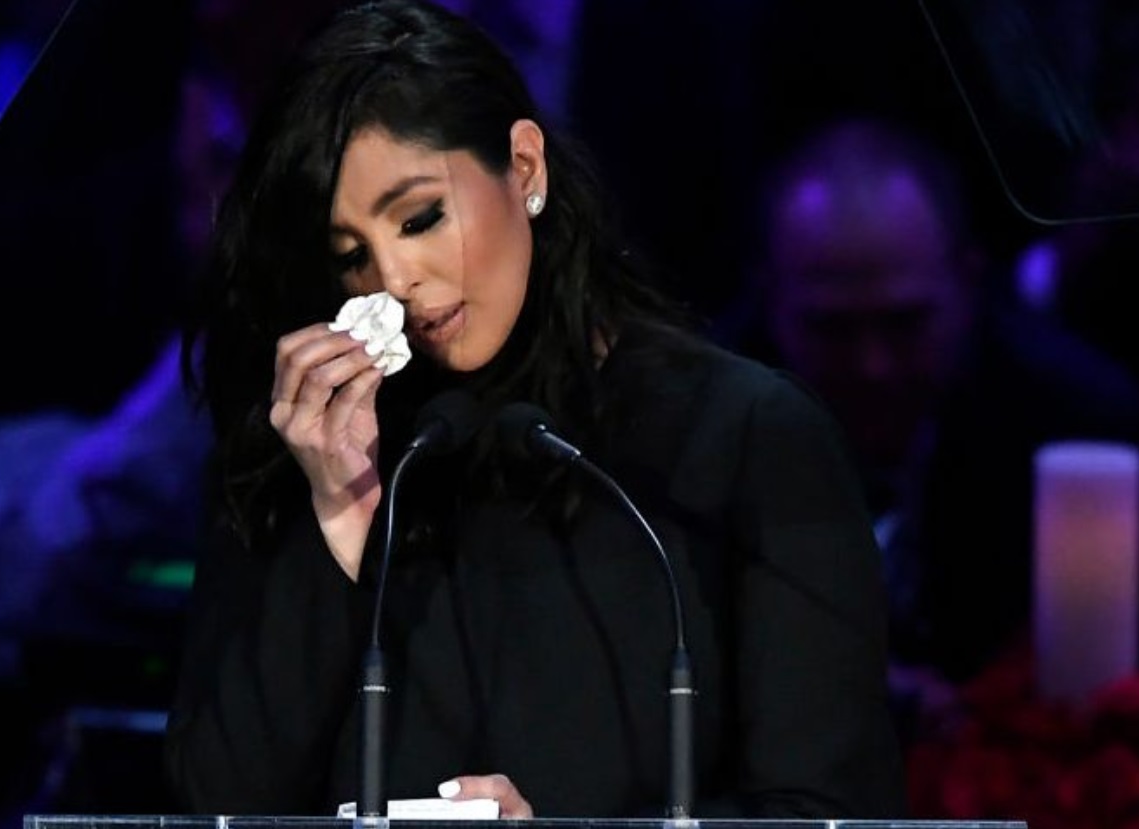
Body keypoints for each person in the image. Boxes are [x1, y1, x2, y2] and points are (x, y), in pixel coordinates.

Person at [163, 0, 905, 818]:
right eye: (351, 256)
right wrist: (338, 519)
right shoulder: (312, 446)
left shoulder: (745, 437)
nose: (394, 279)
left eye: (420, 218)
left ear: (524, 168)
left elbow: (826, 807)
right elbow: (214, 803)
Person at [714, 116, 1139, 699]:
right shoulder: (694, 422)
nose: (873, 365)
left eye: (905, 324)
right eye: (832, 329)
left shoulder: (1079, 425)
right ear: (771, 301)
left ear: (968, 283)